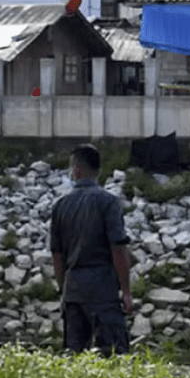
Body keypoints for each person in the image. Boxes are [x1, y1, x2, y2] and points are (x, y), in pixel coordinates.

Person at [49, 144, 133, 357]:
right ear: (98, 170)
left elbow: (57, 257)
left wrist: (63, 290)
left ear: (76, 169)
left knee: (74, 355)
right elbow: (118, 249)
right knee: (114, 354)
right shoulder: (108, 202)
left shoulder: (61, 206)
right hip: (103, 288)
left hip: (73, 289)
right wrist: (126, 290)